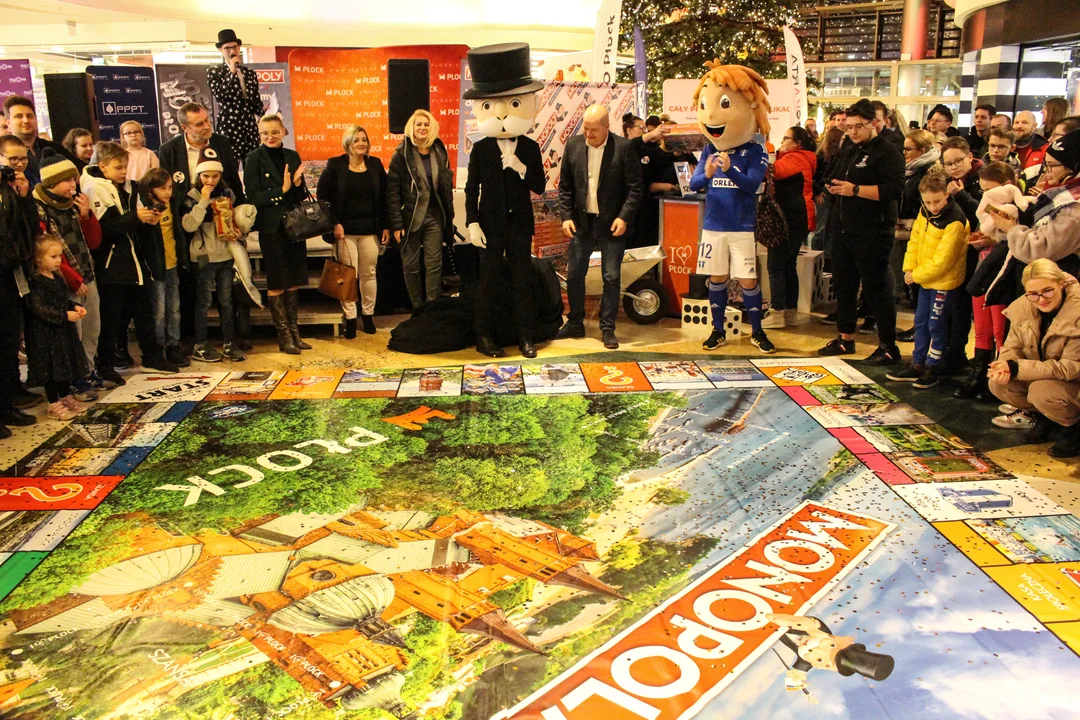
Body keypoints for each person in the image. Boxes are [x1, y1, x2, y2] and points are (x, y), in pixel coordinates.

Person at [463, 44, 547, 358]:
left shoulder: (530, 147)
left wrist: (521, 168)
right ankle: (484, 336)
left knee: (522, 281)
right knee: (488, 281)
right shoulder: (481, 149)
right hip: (489, 224)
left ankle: (526, 336)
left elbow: (539, 186)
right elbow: (471, 188)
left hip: (520, 225)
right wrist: (472, 222)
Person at [687, 63, 773, 353]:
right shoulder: (710, 149)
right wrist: (708, 173)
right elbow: (694, 183)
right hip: (713, 227)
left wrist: (730, 170)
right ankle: (717, 330)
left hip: (741, 227)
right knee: (717, 278)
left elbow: (752, 184)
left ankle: (758, 332)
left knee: (748, 279)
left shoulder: (756, 150)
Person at [818, 99, 905, 365]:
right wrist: (832, 186)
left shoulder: (888, 152)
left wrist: (855, 190)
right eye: (849, 127)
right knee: (844, 286)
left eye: (859, 126)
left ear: (874, 123)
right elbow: (834, 176)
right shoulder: (849, 150)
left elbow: (894, 190)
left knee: (876, 289)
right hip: (844, 228)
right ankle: (845, 338)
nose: (853, 131)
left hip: (873, 231)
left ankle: (888, 346)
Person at [82, 141, 177, 379]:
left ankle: (152, 357)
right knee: (112, 318)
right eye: (118, 167)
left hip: (134, 260)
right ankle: (106, 365)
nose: (123, 172)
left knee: (144, 312)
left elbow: (131, 221)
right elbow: (103, 230)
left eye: (126, 166)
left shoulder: (128, 187)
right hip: (111, 264)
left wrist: (147, 218)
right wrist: (136, 217)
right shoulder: (94, 188)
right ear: (102, 166)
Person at [157, 101, 247, 347]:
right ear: (184, 127)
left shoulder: (222, 144)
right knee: (191, 285)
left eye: (207, 120)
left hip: (221, 224)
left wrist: (239, 223)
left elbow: (233, 184)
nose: (207, 126)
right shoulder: (169, 150)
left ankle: (233, 337)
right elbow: (166, 191)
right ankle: (192, 338)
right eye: (199, 124)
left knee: (228, 289)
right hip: (188, 223)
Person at [557, 104, 642, 350]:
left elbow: (635, 188)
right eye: (585, 128)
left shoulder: (623, 148)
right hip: (581, 222)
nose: (588, 134)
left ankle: (607, 328)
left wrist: (624, 217)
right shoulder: (573, 146)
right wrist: (566, 216)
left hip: (612, 223)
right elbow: (565, 187)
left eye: (594, 129)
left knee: (611, 277)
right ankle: (575, 322)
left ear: (607, 127)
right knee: (574, 274)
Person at [886, 166, 969, 389]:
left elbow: (944, 260)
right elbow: (914, 242)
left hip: (943, 282)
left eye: (937, 201)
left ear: (946, 195)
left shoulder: (955, 219)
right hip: (924, 279)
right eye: (928, 202)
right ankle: (917, 363)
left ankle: (933, 366)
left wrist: (917, 274)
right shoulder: (924, 212)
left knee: (936, 325)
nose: (933, 207)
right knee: (920, 322)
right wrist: (908, 268)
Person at [988, 258, 1080, 458]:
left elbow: (1070, 367)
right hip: (1046, 374)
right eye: (1033, 294)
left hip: (1073, 380)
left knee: (1041, 391)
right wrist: (1005, 364)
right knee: (999, 383)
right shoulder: (1023, 307)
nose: (1041, 299)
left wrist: (1017, 367)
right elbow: (1011, 346)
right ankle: (1045, 416)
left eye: (1048, 291)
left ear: (1061, 284)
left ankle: (1074, 426)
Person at [33, 149, 105, 399]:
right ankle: (75, 379)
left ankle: (88, 371)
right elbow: (48, 251)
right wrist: (74, 280)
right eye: (67, 180)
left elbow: (94, 242)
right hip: (64, 280)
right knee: (75, 332)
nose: (74, 184)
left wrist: (86, 216)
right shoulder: (40, 208)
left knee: (92, 327)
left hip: (87, 272)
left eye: (74, 179)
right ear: (52, 183)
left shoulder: (74, 204)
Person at [955, 161, 1024, 400]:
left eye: (990, 190)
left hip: (1003, 277)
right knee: (982, 328)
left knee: (1000, 330)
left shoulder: (1019, 210)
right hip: (983, 271)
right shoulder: (986, 209)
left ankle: (999, 379)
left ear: (1007, 186)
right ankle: (979, 374)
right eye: (983, 191)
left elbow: (1018, 241)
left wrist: (995, 240)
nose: (986, 196)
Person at [182, 147, 254, 362]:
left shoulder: (228, 193)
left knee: (227, 301)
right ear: (198, 175)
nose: (210, 181)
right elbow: (188, 226)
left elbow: (239, 219)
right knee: (203, 302)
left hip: (226, 254)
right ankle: (200, 344)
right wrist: (203, 202)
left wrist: (241, 232)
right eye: (206, 176)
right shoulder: (191, 196)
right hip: (203, 256)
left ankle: (229, 343)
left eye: (215, 176)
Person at [317, 124, 389, 338]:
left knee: (369, 274)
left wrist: (386, 225)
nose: (361, 143)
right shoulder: (335, 165)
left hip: (370, 230)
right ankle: (350, 318)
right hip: (344, 231)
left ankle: (368, 315)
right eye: (356, 140)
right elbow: (322, 197)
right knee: (348, 276)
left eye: (364, 140)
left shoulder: (375, 165)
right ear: (348, 143)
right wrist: (334, 223)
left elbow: (385, 198)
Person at [245, 114, 309, 354]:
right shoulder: (254, 158)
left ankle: (295, 332)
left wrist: (297, 184)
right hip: (271, 227)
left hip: (294, 225)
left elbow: (300, 195)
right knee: (277, 280)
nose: (270, 137)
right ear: (259, 134)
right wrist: (281, 190)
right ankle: (284, 337)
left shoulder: (292, 156)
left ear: (283, 131)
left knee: (294, 280)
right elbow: (253, 196)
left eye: (274, 132)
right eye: (264, 133)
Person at [387, 109, 454, 313]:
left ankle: (431, 309)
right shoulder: (401, 153)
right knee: (411, 266)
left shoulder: (439, 150)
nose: (422, 128)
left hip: (435, 217)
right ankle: (417, 309)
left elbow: (445, 186)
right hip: (410, 218)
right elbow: (392, 192)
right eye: (419, 124)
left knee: (434, 265)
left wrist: (449, 216)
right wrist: (396, 224)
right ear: (412, 127)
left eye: (426, 124)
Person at [25, 235, 90, 420]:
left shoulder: (58, 277)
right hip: (46, 334)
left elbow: (62, 300)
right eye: (53, 257)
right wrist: (64, 315)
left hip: (62, 332)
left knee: (64, 365)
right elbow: (39, 308)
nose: (58, 260)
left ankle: (65, 396)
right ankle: (53, 403)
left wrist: (73, 306)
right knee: (51, 369)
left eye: (59, 256)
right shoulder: (36, 281)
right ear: (39, 259)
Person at [0, 139, 39, 437]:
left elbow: (29, 229)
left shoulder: (13, 190)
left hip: (13, 271)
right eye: (12, 160)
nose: (18, 165)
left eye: (23, 160)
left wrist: (24, 197)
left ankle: (7, 401)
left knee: (9, 341)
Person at [763, 126, 816, 329]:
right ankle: (789, 312)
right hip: (797, 219)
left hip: (789, 221)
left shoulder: (796, 159)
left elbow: (772, 172)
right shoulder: (802, 158)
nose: (782, 141)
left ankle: (777, 313)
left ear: (798, 143)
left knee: (775, 266)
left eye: (787, 138)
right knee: (787, 266)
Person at [940, 136, 984, 374]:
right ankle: (946, 351)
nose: (954, 167)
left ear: (970, 157)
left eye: (958, 161)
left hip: (976, 253)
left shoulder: (982, 179)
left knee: (961, 307)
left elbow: (986, 214)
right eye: (948, 164)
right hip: (952, 249)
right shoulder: (947, 181)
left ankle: (958, 354)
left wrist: (961, 195)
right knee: (948, 305)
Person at [894, 129, 939, 340]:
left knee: (920, 284)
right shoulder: (911, 170)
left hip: (922, 234)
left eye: (908, 149)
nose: (904, 153)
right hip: (907, 231)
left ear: (922, 150)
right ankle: (919, 327)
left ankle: (922, 330)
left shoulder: (930, 172)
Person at [138, 168, 187, 368]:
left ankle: (173, 345)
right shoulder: (145, 208)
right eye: (162, 188)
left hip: (172, 262)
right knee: (158, 311)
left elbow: (177, 233)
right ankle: (157, 349)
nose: (167, 192)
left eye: (170, 188)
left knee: (174, 308)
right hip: (155, 266)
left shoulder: (173, 205)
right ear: (151, 190)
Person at [207, 29, 264, 164]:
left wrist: (265, 111)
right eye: (227, 48)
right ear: (220, 50)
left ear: (239, 48)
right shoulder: (214, 71)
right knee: (229, 165)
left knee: (252, 163)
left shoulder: (249, 73)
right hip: (229, 125)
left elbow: (255, 100)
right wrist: (232, 71)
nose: (232, 51)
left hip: (249, 126)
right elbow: (220, 94)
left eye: (234, 47)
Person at [3, 95, 75, 187]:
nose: (26, 120)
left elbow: (82, 169)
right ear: (8, 122)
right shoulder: (3, 154)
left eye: (29, 116)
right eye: (19, 116)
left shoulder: (55, 148)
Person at [812, 127, 844, 261]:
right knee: (822, 228)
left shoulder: (837, 156)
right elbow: (814, 177)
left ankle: (825, 257)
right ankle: (817, 256)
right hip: (825, 194)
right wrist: (818, 191)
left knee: (828, 228)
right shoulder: (821, 157)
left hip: (831, 193)